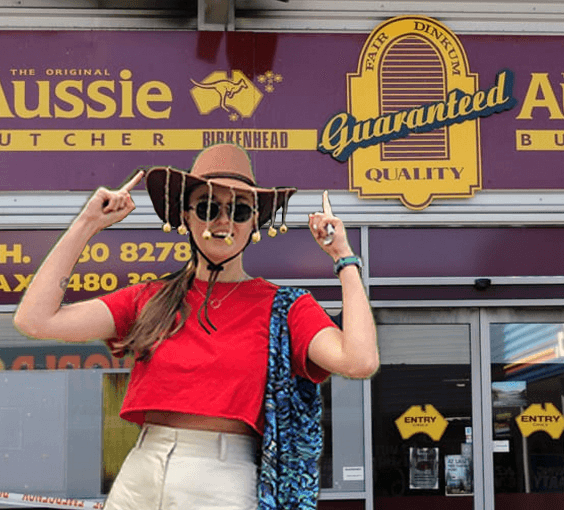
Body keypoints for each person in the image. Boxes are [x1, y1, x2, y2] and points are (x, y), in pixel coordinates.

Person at [13, 143, 379, 510]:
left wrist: (344, 258)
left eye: (238, 210)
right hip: (141, 466)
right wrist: (87, 223)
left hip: (222, 477)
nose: (223, 221)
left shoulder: (284, 307)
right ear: (187, 216)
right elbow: (34, 320)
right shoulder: (151, 297)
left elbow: (359, 361)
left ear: (255, 222)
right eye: (207, 207)